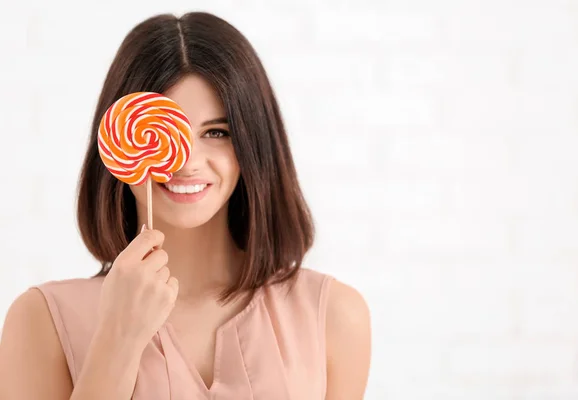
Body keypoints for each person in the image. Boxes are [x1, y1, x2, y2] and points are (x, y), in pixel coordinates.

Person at [0, 11, 371, 400]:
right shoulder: (40, 321)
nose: (186, 160)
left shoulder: (333, 317)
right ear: (119, 143)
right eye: (158, 132)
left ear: (253, 144)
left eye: (216, 132)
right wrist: (117, 341)